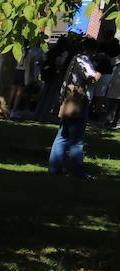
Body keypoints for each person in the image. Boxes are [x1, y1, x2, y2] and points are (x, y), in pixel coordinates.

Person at [49, 37, 100, 179]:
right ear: (91, 49)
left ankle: (55, 169)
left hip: (68, 99)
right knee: (77, 138)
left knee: (62, 135)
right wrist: (98, 73)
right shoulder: (83, 60)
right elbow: (91, 78)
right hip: (78, 101)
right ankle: (78, 172)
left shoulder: (72, 58)